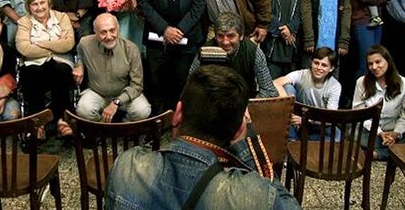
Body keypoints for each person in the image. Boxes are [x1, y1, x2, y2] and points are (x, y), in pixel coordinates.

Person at [106, 65, 301, 210]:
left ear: (178, 112)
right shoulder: (255, 195)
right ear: (238, 130)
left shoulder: (127, 167)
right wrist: (245, 145)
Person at [15, 0, 75, 138]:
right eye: (34, 4)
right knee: (32, 72)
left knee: (61, 70)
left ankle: (62, 119)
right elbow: (24, 48)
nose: (40, 7)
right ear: (29, 7)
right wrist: (55, 45)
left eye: (42, 3)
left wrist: (38, 43)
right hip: (33, 65)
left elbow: (68, 44)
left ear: (48, 2)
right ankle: (38, 122)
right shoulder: (24, 22)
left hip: (60, 63)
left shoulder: (61, 18)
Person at [73, 13, 151, 122]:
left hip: (124, 95)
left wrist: (116, 102)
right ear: (95, 32)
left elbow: (137, 85)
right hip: (97, 93)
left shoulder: (131, 49)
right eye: (103, 32)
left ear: (118, 29)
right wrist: (79, 65)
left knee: (143, 110)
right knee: (83, 109)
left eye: (112, 30)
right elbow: (79, 52)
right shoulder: (85, 43)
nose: (109, 36)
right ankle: (102, 126)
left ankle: (123, 126)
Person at [189, 12, 277, 98]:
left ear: (241, 36)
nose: (225, 42)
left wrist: (249, 106)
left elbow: (269, 91)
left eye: (230, 36)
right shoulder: (204, 52)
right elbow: (191, 87)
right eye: (220, 36)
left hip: (245, 103)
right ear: (215, 36)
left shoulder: (253, 52)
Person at [352, 45, 405, 160]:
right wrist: (380, 133)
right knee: (355, 135)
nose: (374, 67)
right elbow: (360, 114)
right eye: (370, 64)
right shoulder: (362, 82)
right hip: (370, 131)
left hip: (394, 129)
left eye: (378, 62)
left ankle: (376, 154)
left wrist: (396, 133)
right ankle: (391, 152)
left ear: (388, 61)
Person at [274, 47, 341, 140]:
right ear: (311, 62)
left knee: (337, 136)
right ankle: (292, 139)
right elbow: (276, 82)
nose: (319, 68)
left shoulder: (335, 86)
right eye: (316, 63)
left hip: (316, 122)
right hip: (295, 119)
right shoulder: (302, 74)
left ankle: (307, 140)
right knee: (287, 87)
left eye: (324, 65)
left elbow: (330, 118)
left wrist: (306, 120)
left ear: (331, 68)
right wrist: (288, 102)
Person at [263, 0, 302, 78]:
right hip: (272, 48)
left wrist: (290, 28)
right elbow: (265, 14)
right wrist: (283, 30)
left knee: (290, 91)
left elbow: (299, 15)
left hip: (291, 50)